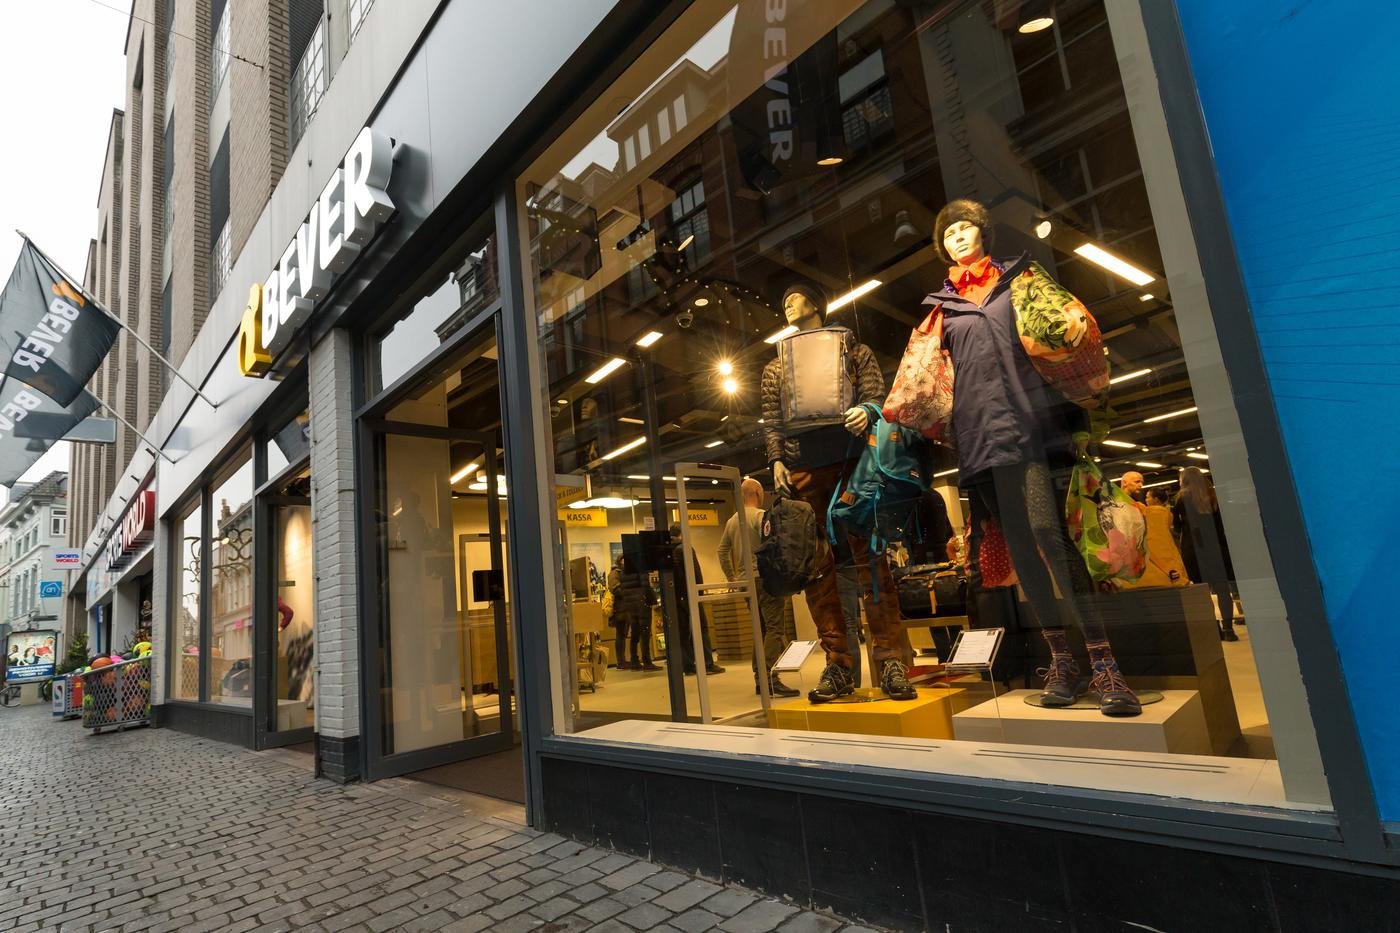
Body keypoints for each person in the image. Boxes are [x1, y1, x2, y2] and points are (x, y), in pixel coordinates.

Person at [926, 198, 1139, 716]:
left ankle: (1105, 663)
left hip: (1030, 432)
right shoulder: (941, 309)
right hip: (980, 442)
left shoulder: (1019, 283)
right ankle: (1062, 662)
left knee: (1050, 535)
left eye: (965, 227)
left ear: (983, 233)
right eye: (948, 232)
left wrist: (1078, 419)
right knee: (1022, 551)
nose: (957, 236)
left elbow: (1062, 344)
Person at [716, 479, 799, 697]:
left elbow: (721, 551)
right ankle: (769, 678)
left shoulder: (732, 520)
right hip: (765, 580)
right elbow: (776, 546)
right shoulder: (761, 516)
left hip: (746, 583)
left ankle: (760, 678)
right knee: (775, 628)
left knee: (761, 629)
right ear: (757, 492)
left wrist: (732, 577)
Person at [1175, 468, 1238, 641]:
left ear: (1184, 480)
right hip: (1216, 547)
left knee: (1202, 591)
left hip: (1193, 550)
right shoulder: (1213, 495)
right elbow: (1222, 524)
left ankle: (1214, 629)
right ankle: (1228, 629)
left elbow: (1178, 527)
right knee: (1223, 590)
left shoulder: (1181, 498)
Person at [669, 524, 725, 677]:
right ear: (682, 533)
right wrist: (700, 592)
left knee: (683, 632)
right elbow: (695, 573)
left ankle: (688, 666)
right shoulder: (685, 548)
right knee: (701, 629)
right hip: (691, 595)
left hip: (677, 598)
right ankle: (707, 663)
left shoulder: (669, 550)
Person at [608, 554, 660, 670]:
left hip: (629, 606)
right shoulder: (618, 572)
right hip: (628, 607)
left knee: (634, 634)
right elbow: (644, 586)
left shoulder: (623, 572)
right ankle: (630, 661)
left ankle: (633, 660)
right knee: (633, 634)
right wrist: (651, 599)